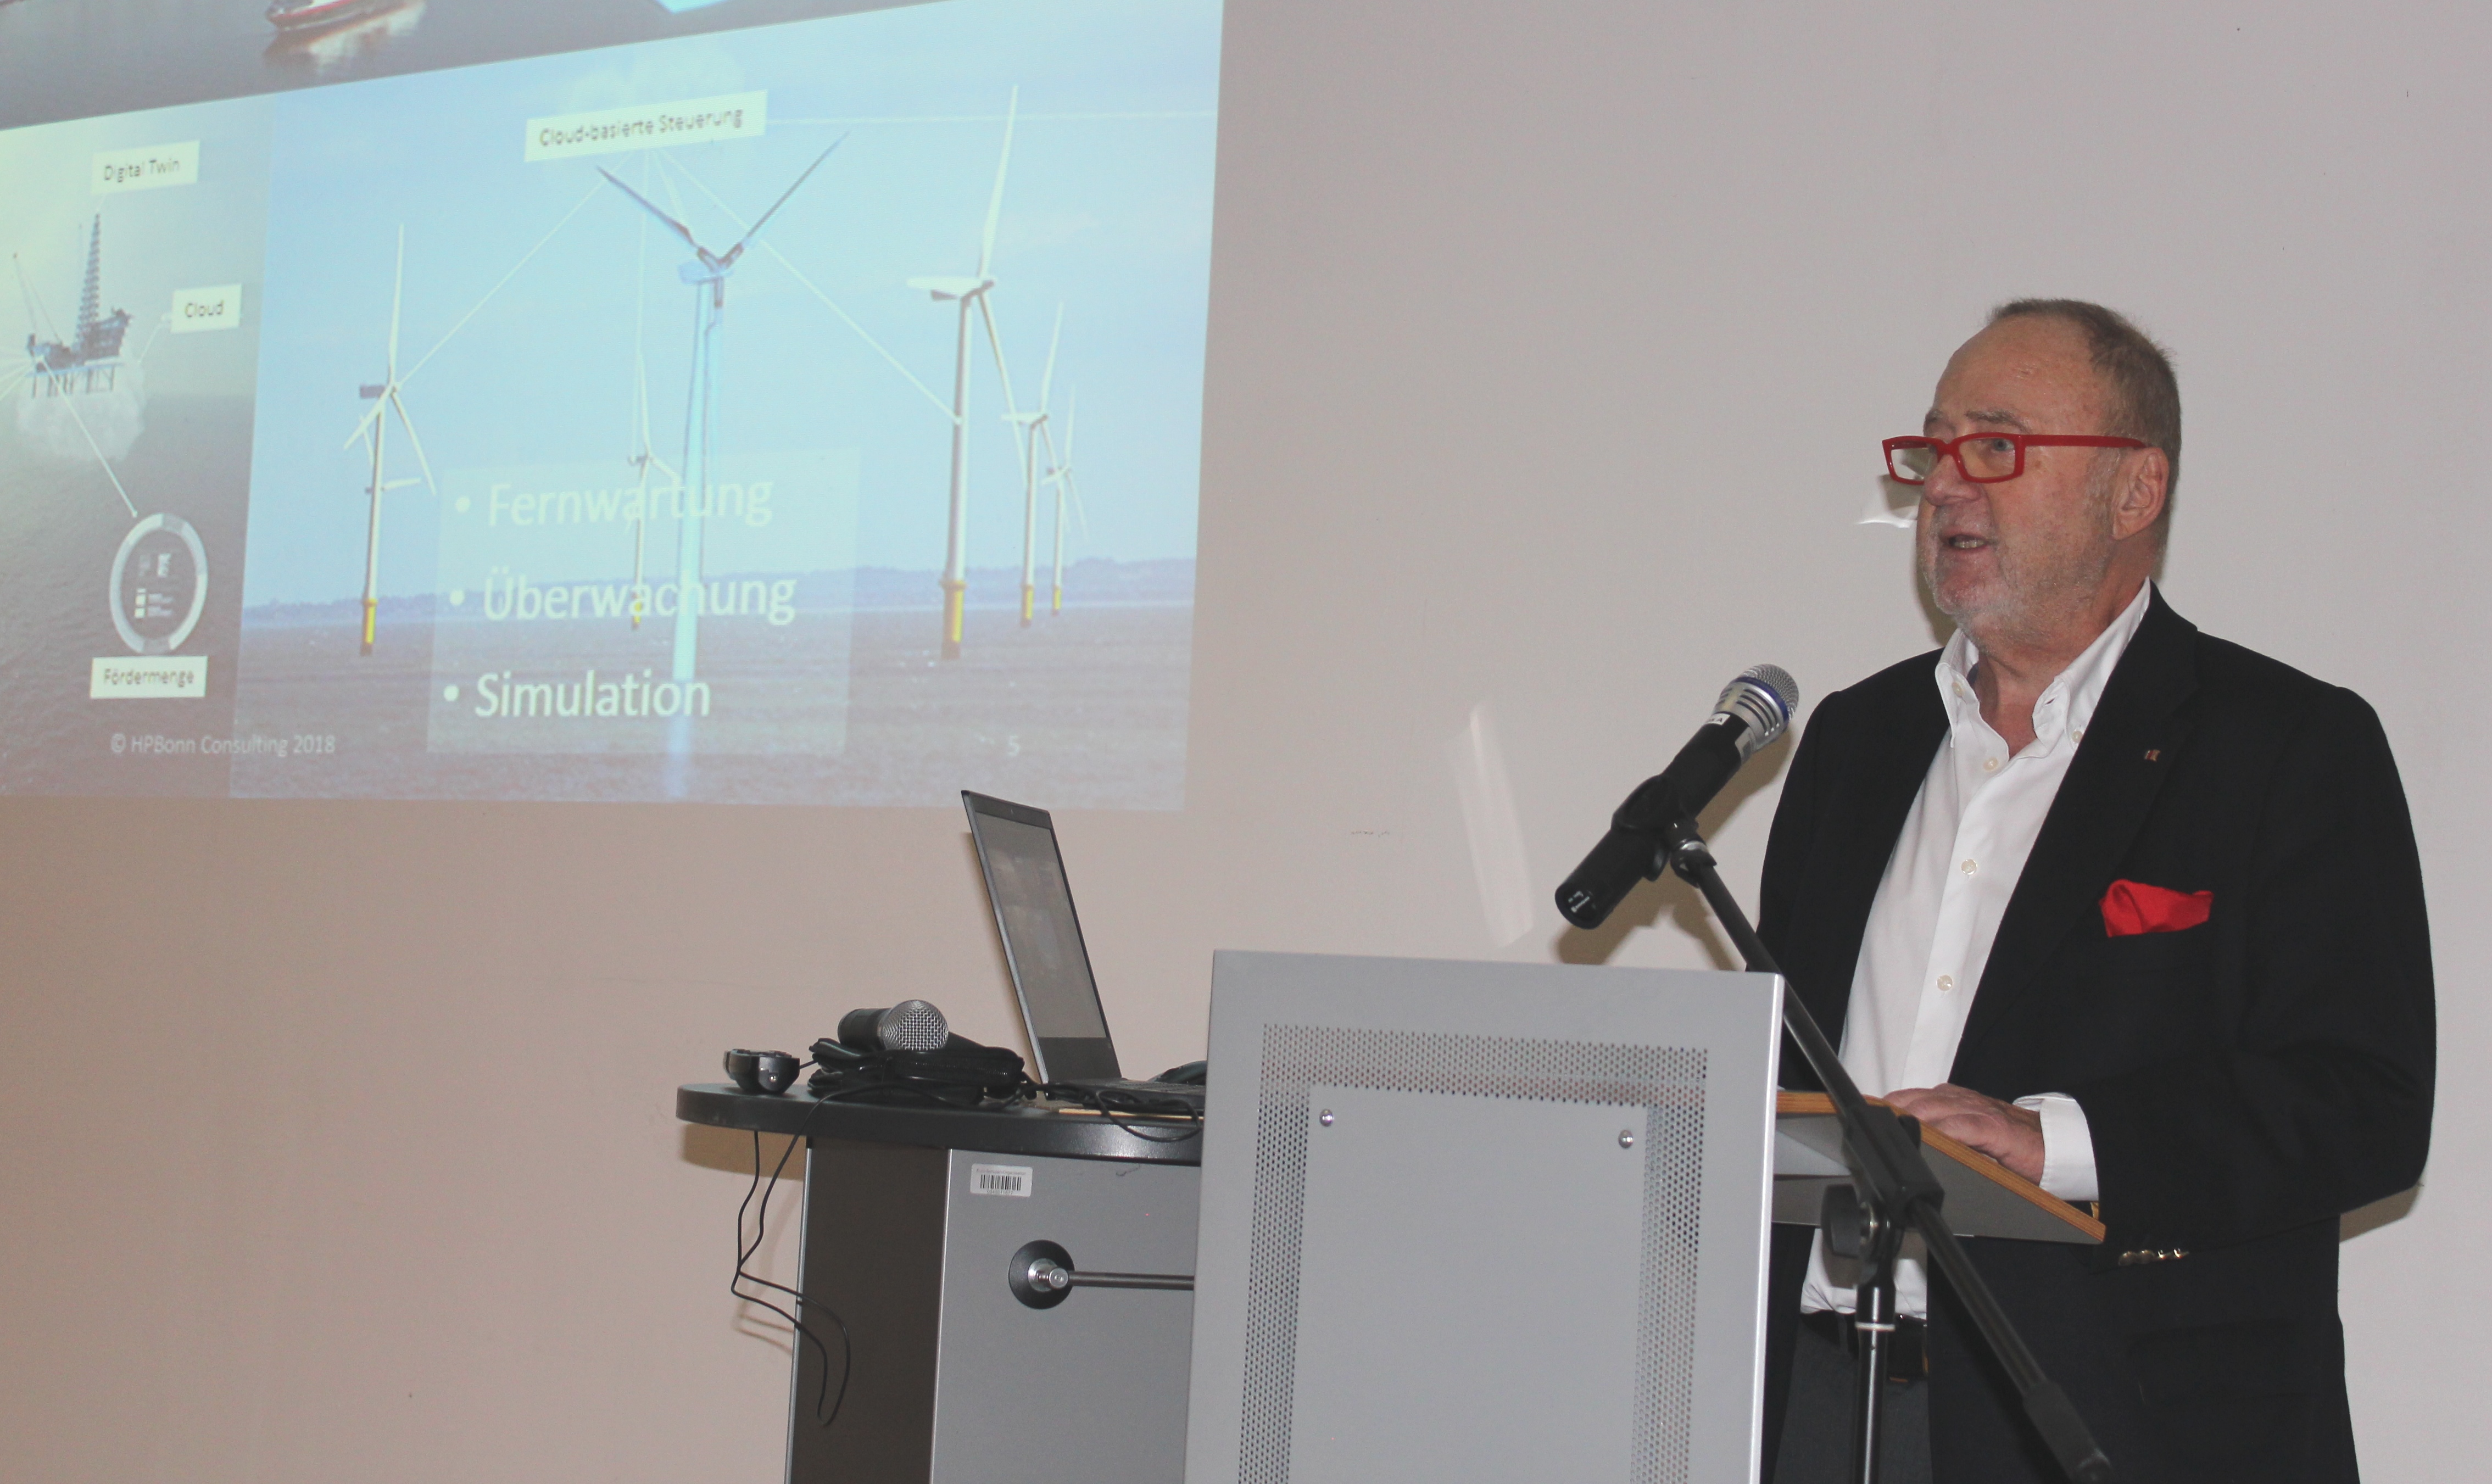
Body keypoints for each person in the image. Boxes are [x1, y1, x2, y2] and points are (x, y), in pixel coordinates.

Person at [1754, 301, 2435, 1482]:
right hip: (1821, 1402)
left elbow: (2360, 1102)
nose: (1945, 486)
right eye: (1933, 449)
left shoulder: (2283, 746)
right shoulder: (1857, 741)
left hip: (2115, 1420)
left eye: (1996, 446)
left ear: (2134, 490)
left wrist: (2053, 1141)